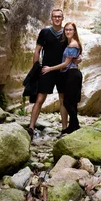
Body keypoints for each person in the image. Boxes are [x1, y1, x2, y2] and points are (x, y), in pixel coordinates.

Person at [26, 9, 68, 140]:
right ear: (51, 18)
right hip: (46, 70)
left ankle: (64, 129)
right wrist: (35, 68)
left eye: (59, 17)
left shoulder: (66, 33)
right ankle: (31, 128)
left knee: (63, 100)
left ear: (62, 18)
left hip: (62, 71)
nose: (57, 18)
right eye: (55, 16)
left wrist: (78, 58)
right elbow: (37, 50)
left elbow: (74, 49)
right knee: (39, 99)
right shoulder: (44, 32)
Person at [42, 22, 83, 136]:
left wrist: (50, 69)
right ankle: (73, 127)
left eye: (71, 30)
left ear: (74, 31)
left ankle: (75, 125)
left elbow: (65, 64)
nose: (68, 31)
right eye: (66, 30)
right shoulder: (71, 43)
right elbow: (75, 59)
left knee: (67, 101)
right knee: (72, 102)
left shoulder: (72, 44)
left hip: (72, 74)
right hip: (71, 74)